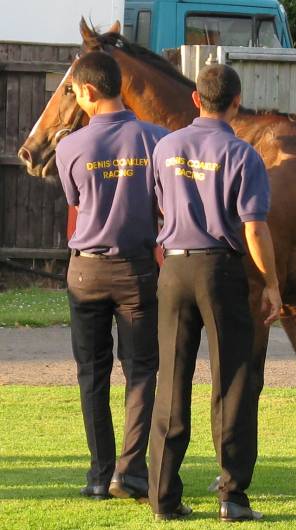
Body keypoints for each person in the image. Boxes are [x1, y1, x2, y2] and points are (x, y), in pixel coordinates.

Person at [148, 64, 282, 522]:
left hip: (174, 268)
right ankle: (232, 496)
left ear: (196, 99)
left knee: (171, 381)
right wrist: (271, 283)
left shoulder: (165, 147)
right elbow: (255, 228)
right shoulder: (243, 155)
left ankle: (163, 497)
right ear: (236, 102)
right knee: (232, 382)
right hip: (219, 270)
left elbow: (160, 205)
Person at [55, 51, 168, 501]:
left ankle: (100, 475)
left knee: (92, 372)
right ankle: (131, 472)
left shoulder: (69, 147)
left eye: (74, 92)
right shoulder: (156, 139)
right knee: (141, 370)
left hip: (85, 270)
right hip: (136, 270)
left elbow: (77, 203)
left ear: (88, 90)